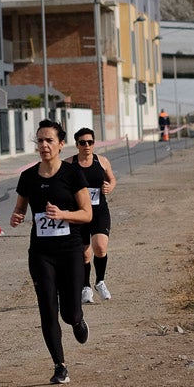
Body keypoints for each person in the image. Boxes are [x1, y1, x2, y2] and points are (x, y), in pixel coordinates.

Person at [10, 120, 92, 385]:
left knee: (70, 312)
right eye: (40, 141)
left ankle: (78, 321)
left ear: (60, 144)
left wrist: (63, 215)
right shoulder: (28, 177)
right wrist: (17, 215)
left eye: (49, 141)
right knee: (47, 307)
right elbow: (21, 207)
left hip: (70, 250)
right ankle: (60, 366)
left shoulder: (72, 174)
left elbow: (87, 213)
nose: (44, 145)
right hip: (41, 253)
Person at [70, 128, 117, 303]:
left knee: (100, 247)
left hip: (99, 212)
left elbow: (112, 179)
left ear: (94, 143)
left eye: (90, 142)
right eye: (83, 143)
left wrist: (110, 187)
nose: (87, 146)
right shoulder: (69, 164)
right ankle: (85, 287)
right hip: (80, 213)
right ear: (77, 145)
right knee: (84, 254)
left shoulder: (102, 161)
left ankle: (100, 282)